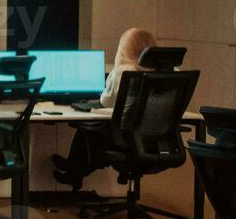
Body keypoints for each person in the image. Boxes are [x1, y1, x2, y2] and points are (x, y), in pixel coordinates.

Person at [52, 28, 157, 187]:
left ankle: (74, 172)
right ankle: (73, 168)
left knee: (88, 129)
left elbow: (106, 101)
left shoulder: (123, 71)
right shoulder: (170, 72)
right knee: (94, 128)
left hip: (125, 140)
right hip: (156, 140)